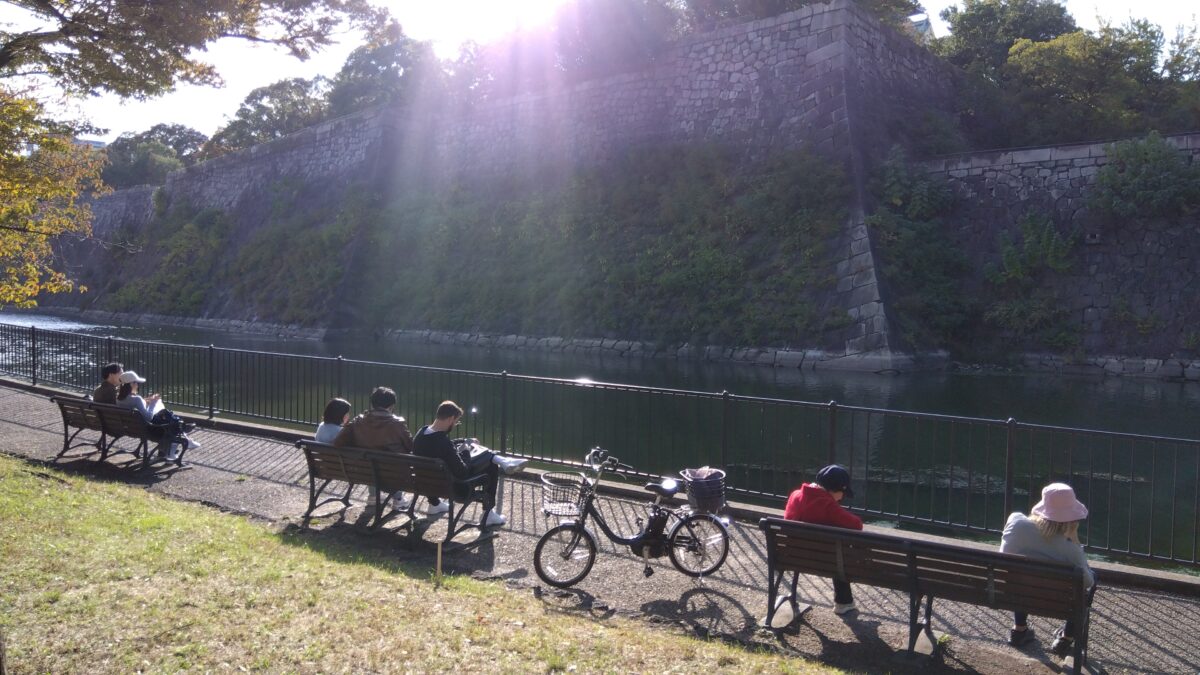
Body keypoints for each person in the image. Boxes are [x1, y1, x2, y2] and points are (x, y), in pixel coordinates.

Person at [1001, 483, 1096, 655]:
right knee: (1088, 579)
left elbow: (1005, 554)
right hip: (1059, 601)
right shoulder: (1070, 549)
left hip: (1014, 591)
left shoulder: (1016, 523)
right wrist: (1074, 540)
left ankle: (1019, 629)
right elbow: (1087, 581)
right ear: (1071, 519)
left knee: (1020, 574)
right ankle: (1066, 638)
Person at [412, 400, 526, 527]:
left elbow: (443, 446)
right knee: (490, 465)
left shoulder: (421, 433)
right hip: (456, 488)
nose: (455, 425)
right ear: (450, 419)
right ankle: (488, 514)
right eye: (456, 422)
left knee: (484, 456)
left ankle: (434, 504)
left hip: (426, 484)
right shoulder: (443, 443)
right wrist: (465, 451)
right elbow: (462, 472)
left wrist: (463, 441)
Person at [783, 464, 863, 615]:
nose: (842, 497)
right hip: (825, 561)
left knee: (834, 550)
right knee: (840, 554)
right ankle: (843, 602)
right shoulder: (827, 505)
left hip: (791, 557)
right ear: (835, 490)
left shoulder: (795, 495)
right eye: (843, 493)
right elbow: (857, 525)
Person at [333, 387, 414, 509]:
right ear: (392, 405)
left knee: (371, 459)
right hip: (393, 475)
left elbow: (338, 442)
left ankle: (373, 495)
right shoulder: (397, 424)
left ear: (373, 403)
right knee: (396, 459)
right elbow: (410, 447)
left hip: (362, 472)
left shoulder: (358, 421)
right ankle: (398, 498)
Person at [115, 371, 199, 462]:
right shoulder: (136, 399)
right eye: (137, 383)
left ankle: (178, 440)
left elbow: (133, 403)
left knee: (166, 415)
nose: (138, 385)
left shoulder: (119, 399)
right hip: (149, 430)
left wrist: (147, 400)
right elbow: (149, 417)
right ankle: (183, 434)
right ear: (131, 384)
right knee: (168, 419)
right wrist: (153, 403)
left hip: (131, 428)